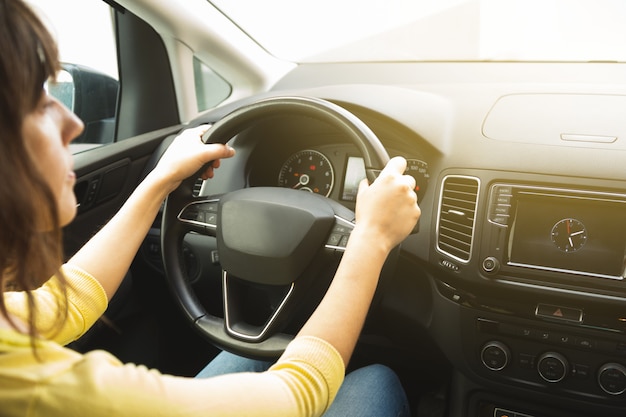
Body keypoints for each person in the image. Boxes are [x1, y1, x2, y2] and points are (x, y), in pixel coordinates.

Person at [0, 0, 421, 416]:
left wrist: (161, 180)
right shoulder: (34, 386)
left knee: (262, 354)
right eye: (38, 104)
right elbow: (295, 395)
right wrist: (371, 237)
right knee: (376, 380)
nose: (74, 124)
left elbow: (69, 302)